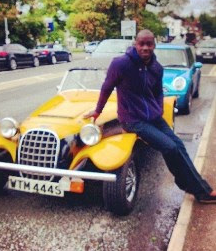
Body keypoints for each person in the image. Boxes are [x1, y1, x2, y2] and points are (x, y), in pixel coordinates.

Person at [84, 29, 216, 203]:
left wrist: (158, 109)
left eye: (149, 44)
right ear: (135, 44)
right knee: (169, 147)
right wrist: (98, 110)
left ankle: (200, 189)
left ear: (154, 45)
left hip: (154, 118)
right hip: (132, 120)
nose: (145, 47)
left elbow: (157, 93)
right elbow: (107, 87)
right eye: (141, 44)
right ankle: (191, 186)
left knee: (179, 146)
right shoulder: (121, 64)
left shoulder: (156, 68)